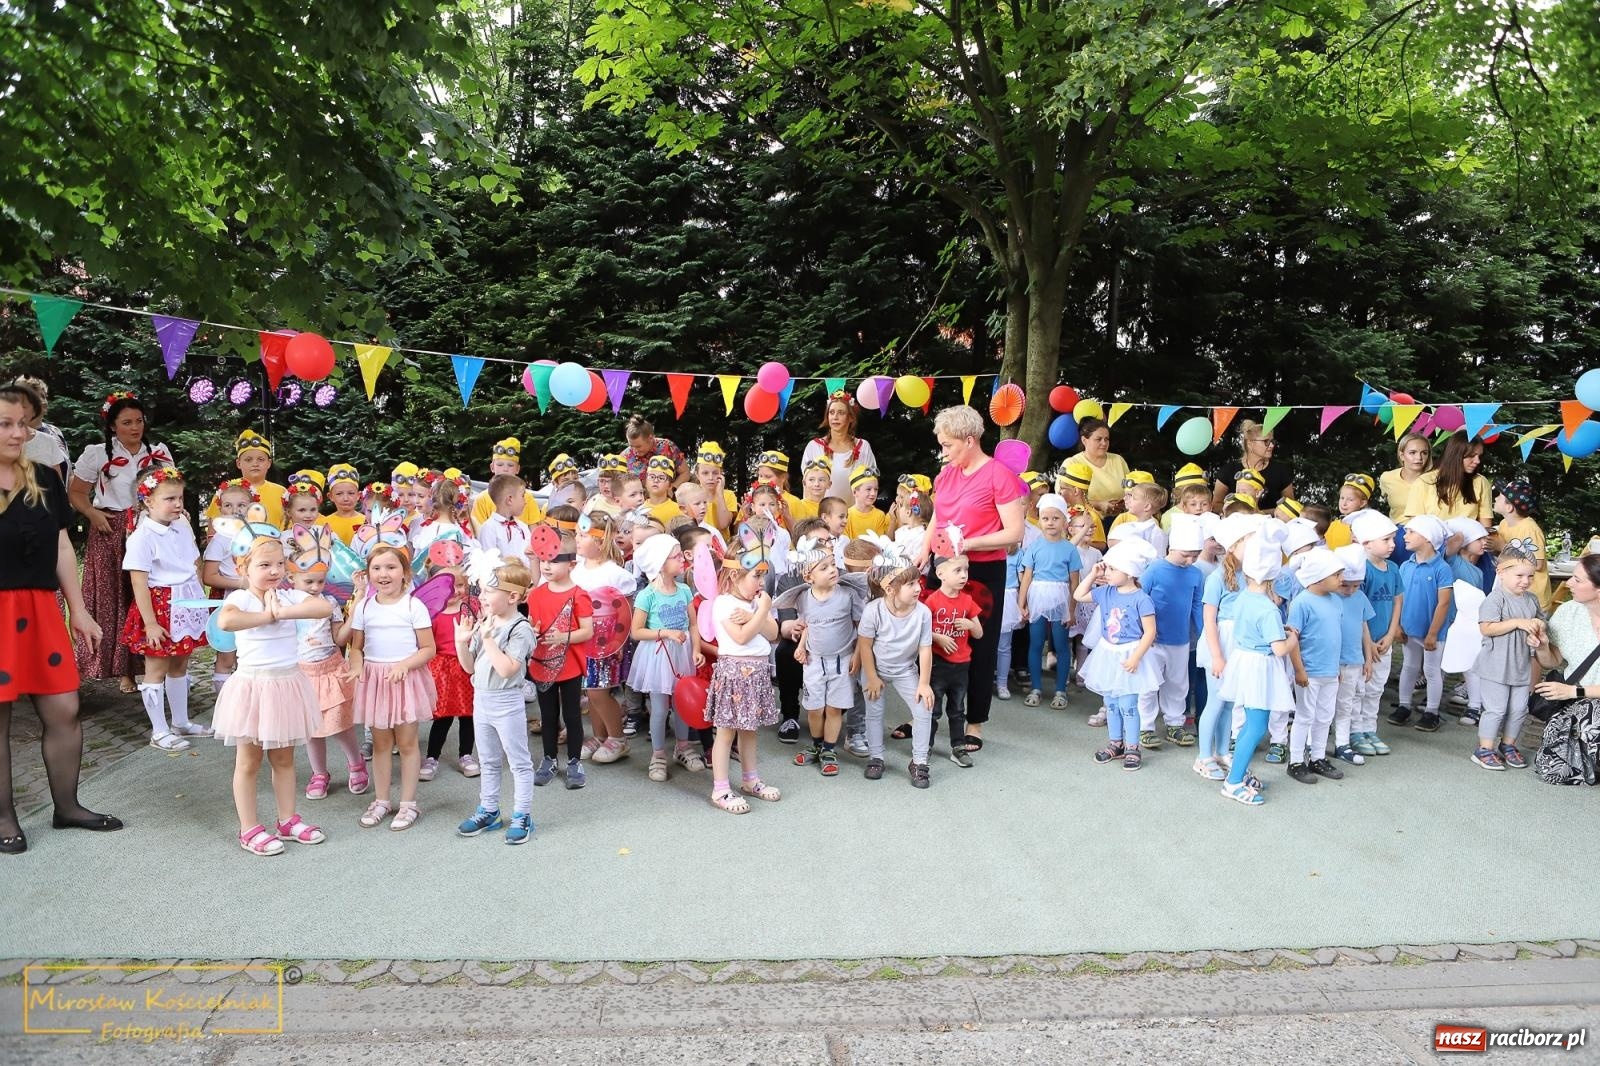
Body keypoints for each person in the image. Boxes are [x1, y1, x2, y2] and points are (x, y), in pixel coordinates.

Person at [0, 382, 120, 855]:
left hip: (39, 608)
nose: (17, 432)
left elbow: (61, 546)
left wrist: (79, 610)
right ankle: (4, 817)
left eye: (23, 423)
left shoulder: (46, 479)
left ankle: (67, 807)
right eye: (5, 424)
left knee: (64, 710)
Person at [214, 530, 331, 855]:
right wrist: (267, 615)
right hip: (254, 689)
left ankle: (287, 819)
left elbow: (321, 607)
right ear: (243, 567)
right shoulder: (241, 599)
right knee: (249, 761)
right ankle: (249, 828)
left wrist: (284, 611)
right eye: (265, 564)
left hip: (285, 686)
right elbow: (227, 621)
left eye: (280, 563)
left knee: (284, 758)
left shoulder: (290, 596)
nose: (275, 571)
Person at [919, 405, 1026, 750]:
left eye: (948, 444)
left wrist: (969, 543)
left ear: (969, 440)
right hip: (943, 564)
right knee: (932, 637)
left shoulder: (999, 476)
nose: (943, 451)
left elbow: (1015, 532)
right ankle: (923, 713)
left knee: (978, 644)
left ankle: (975, 722)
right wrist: (924, 550)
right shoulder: (946, 474)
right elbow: (938, 516)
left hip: (981, 571)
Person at [68, 390, 173, 688]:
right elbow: (76, 493)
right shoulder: (98, 453)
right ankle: (119, 669)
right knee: (113, 597)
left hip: (148, 529)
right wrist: (92, 514)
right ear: (113, 425)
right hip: (110, 528)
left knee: (144, 596)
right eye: (126, 422)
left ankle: (150, 664)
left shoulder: (158, 452)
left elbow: (170, 489)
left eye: (138, 421)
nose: (135, 427)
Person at [348, 544, 437, 831]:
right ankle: (382, 800)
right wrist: (357, 665)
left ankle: (408, 803)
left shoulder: (414, 606)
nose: (383, 574)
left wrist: (404, 666)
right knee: (382, 743)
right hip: (375, 680)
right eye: (376, 568)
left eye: (390, 567)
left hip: (405, 679)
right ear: (368, 573)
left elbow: (428, 649)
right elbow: (356, 647)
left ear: (405, 573)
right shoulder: (363, 606)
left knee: (408, 743)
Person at [122, 466, 211, 750]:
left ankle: (180, 722)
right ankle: (159, 731)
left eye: (180, 498)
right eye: (169, 499)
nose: (177, 504)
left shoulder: (182, 526)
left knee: (180, 663)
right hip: (160, 606)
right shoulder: (142, 537)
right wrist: (149, 623)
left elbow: (192, 564)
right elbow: (139, 582)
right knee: (157, 667)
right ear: (148, 501)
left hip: (185, 602)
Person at [455, 559, 539, 844]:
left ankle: (522, 815)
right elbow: (469, 667)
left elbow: (507, 669)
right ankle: (489, 811)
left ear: (513, 596)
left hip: (507, 702)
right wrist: (461, 642)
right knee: (488, 760)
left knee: (519, 762)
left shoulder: (521, 628)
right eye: (480, 591)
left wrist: (488, 639)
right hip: (482, 701)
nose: (481, 597)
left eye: (488, 591)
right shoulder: (486, 623)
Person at [1217, 532, 1298, 805]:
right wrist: (1293, 637)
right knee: (1257, 725)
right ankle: (1234, 781)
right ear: (1274, 576)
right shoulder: (1268, 609)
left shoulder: (1241, 597)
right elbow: (1278, 649)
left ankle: (1239, 770)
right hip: (1260, 668)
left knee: (1250, 724)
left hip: (1244, 661)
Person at [285, 525, 365, 800]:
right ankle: (319, 773)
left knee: (339, 724)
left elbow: (340, 638)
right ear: (291, 577)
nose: (316, 587)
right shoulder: (284, 603)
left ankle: (356, 763)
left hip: (329, 669)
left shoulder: (329, 602)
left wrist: (354, 611)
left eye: (320, 581)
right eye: (309, 582)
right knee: (311, 730)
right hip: (301, 673)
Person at [705, 543, 782, 813]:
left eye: (764, 575)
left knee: (750, 731)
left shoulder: (751, 605)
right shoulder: (724, 603)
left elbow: (773, 633)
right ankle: (721, 789)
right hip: (735, 673)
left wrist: (755, 614)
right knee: (726, 733)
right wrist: (761, 612)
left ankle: (750, 780)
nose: (762, 582)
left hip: (757, 673)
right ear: (735, 576)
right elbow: (741, 636)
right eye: (756, 576)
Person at [1076, 539, 1161, 771]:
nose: (1107, 571)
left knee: (1128, 704)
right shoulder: (1105, 592)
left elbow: (1150, 631)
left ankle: (1133, 746)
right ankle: (1116, 743)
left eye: (1113, 568)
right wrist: (1093, 575)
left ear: (1130, 572)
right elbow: (1079, 595)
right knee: (1110, 702)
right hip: (1108, 654)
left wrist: (1136, 658)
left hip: (1129, 655)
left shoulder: (1141, 599)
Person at [627, 533, 704, 782]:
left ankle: (683, 747)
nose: (683, 559)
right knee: (659, 708)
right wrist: (665, 633)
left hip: (682, 653)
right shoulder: (647, 595)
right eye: (677, 555)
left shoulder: (684, 591)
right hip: (659, 656)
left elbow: (694, 625)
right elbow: (636, 631)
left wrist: (696, 649)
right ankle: (658, 754)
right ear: (661, 563)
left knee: (682, 703)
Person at [857, 547, 935, 787]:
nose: (918, 588)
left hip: (905, 671)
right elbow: (865, 645)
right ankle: (876, 757)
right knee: (874, 712)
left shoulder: (923, 613)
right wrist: (870, 676)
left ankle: (919, 761)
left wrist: (923, 684)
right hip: (875, 670)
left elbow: (925, 649)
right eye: (911, 584)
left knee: (924, 710)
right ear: (890, 589)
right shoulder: (873, 610)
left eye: (918, 582)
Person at [788, 536, 864, 777]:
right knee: (814, 707)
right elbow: (809, 624)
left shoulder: (847, 595)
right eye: (824, 567)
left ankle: (829, 749)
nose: (832, 570)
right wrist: (801, 645)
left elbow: (861, 627)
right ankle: (817, 744)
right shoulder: (803, 598)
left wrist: (858, 656)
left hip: (842, 661)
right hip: (813, 662)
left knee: (833, 708)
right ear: (808, 577)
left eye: (833, 564)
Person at [526, 531, 595, 789]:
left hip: (570, 667)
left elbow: (587, 631)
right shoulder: (535, 595)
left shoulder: (579, 595)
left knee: (572, 715)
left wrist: (563, 636)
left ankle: (575, 761)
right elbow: (533, 626)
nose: (546, 565)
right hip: (542, 665)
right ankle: (549, 758)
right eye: (543, 559)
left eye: (553, 560)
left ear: (572, 564)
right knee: (548, 715)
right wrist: (530, 633)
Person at [1472, 549, 1547, 771]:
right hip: (1496, 666)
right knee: (1495, 709)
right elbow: (1486, 628)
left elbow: (1542, 622)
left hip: (1521, 666)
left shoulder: (1532, 600)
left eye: (1530, 576)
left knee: (1519, 709)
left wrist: (1538, 629)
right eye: (1520, 576)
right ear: (1501, 572)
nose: (1526, 581)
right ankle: (1484, 748)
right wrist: (1517, 623)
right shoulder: (1495, 599)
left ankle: (1508, 744)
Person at [1137, 514, 1205, 749]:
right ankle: (1145, 726)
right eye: (1185, 555)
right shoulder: (1155, 569)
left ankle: (1175, 723)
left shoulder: (1196, 574)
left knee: (1178, 683)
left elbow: (1197, 605)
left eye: (1195, 556)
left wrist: (1204, 633)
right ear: (1172, 547)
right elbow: (1140, 598)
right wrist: (1142, 629)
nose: (1189, 561)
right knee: (1148, 683)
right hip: (1152, 639)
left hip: (1181, 639)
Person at [1532, 554, 1600, 785]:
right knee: (1551, 768)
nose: (1569, 583)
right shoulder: (1570, 612)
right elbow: (1552, 661)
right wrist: (1541, 645)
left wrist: (1574, 692)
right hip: (1575, 702)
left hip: (1585, 701)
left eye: (1577, 580)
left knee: (1591, 714)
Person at [574, 510, 636, 763]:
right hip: (581, 640)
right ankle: (600, 737)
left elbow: (627, 611)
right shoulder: (576, 569)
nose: (576, 539)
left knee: (600, 692)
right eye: (577, 534)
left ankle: (618, 739)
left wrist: (620, 642)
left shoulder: (616, 574)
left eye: (582, 535)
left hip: (605, 641)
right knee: (590, 692)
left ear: (600, 541)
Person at [1283, 548, 1349, 784]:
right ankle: (1296, 761)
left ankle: (1318, 757)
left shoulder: (1335, 601)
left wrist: (1338, 666)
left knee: (1324, 716)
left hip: (1330, 670)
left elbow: (1335, 636)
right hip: (1309, 672)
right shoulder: (1301, 603)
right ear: (1319, 577)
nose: (1342, 580)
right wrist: (1299, 670)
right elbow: (1293, 639)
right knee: (1304, 716)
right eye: (1337, 575)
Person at [1388, 515, 1453, 732]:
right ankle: (1404, 705)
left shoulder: (1441, 568)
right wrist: (1397, 626)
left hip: (1432, 632)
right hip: (1409, 630)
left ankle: (1432, 711)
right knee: (1409, 666)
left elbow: (1443, 603)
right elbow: (1398, 598)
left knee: (1432, 670)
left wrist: (1433, 633)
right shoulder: (1405, 565)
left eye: (1410, 532)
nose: (1404, 536)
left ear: (1427, 538)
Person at [1017, 493, 1081, 709]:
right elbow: (1027, 576)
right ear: (1040, 520)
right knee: (1035, 643)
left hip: (1061, 599)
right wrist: (1021, 603)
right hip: (1037, 597)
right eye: (1045, 518)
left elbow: (1074, 583)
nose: (1050, 523)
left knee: (1061, 645)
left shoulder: (1070, 549)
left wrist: (1072, 611)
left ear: (1064, 521)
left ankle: (1060, 690)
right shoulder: (1034, 547)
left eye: (1055, 518)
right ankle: (1036, 687)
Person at [926, 553, 982, 768]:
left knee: (957, 710)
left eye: (966, 570)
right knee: (933, 709)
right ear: (940, 574)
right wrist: (937, 637)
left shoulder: (967, 600)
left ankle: (957, 747)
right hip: (938, 664)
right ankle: (926, 746)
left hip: (961, 665)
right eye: (957, 570)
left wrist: (970, 625)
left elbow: (979, 634)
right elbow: (919, 630)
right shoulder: (932, 600)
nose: (963, 575)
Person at [1353, 511, 1402, 757]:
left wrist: (1392, 633)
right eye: (1387, 540)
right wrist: (1368, 643)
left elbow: (1397, 601)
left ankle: (1369, 729)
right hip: (1363, 643)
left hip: (1384, 641)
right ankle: (1354, 731)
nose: (1393, 544)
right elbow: (1358, 609)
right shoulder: (1361, 569)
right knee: (1359, 688)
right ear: (1366, 543)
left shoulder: (1393, 568)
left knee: (1376, 688)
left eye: (1393, 539)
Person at [421, 565, 476, 782]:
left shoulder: (471, 607)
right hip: (442, 670)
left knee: (468, 715)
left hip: (467, 665)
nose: (454, 590)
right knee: (442, 717)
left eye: (460, 585)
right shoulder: (432, 613)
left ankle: (466, 754)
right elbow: (428, 644)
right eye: (447, 585)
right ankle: (432, 757)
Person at [1331, 545, 1377, 765]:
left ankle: (1342, 743)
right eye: (1345, 585)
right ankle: (1314, 745)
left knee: (1346, 704)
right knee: (1324, 706)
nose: (1350, 590)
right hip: (1332, 662)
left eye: (1356, 586)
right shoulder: (1330, 598)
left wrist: (1368, 659)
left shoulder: (1359, 598)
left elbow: (1364, 628)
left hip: (1354, 661)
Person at [802, 389, 879, 502]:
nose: (835, 417)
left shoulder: (863, 447)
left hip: (853, 516)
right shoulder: (814, 447)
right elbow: (807, 487)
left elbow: (870, 484)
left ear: (851, 418)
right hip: (822, 514)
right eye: (832, 412)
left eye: (841, 413)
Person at [1403, 431, 1493, 525]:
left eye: (1479, 456)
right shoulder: (1423, 482)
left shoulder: (1481, 482)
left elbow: (1486, 529)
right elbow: (1416, 529)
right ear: (1455, 454)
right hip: (1433, 539)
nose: (1477, 461)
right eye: (1471, 456)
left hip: (1472, 539)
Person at [1210, 420, 1296, 513]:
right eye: (1266, 441)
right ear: (1250, 444)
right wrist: (1237, 513)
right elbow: (1216, 505)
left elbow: (1290, 508)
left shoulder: (1281, 470)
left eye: (1272, 441)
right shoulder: (1229, 470)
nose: (1271, 445)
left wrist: (1258, 513)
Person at [204, 430, 285, 528]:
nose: (255, 464)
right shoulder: (226, 492)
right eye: (248, 460)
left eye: (261, 459)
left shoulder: (281, 492)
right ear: (238, 463)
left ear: (269, 463)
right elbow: (213, 531)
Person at [1493, 477, 1550, 609]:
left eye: (1500, 496)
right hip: (1515, 596)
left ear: (1509, 507)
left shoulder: (1529, 529)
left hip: (1532, 600)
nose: (1495, 498)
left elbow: (1538, 564)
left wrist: (1503, 546)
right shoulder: (1504, 524)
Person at [469, 438, 543, 532]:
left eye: (510, 465)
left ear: (517, 469)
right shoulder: (482, 499)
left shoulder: (527, 498)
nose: (505, 469)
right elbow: (477, 530)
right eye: (500, 465)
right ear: (492, 467)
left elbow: (534, 530)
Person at [8, 377, 68, 484]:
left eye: (44, 396)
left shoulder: (55, 432)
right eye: (38, 396)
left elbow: (68, 472)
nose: (43, 401)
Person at [1070, 418, 1131, 518]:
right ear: (1084, 440)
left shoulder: (1118, 460)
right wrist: (1099, 505)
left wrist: (1123, 503)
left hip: (1120, 520)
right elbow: (1066, 498)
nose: (1104, 443)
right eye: (1099, 439)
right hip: (1084, 522)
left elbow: (1132, 490)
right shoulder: (1072, 463)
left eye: (1106, 439)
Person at [1379, 432, 1435, 523]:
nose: (1419, 457)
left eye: (1424, 453)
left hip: (1428, 531)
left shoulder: (1436, 479)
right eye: (1412, 453)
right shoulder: (1387, 478)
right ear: (1402, 456)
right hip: (1396, 531)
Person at [623, 414, 687, 484]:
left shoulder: (668, 447)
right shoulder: (625, 456)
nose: (634, 450)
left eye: (638, 446)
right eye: (631, 446)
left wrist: (672, 489)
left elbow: (685, 473)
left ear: (650, 438)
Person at [317, 464, 365, 545]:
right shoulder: (324, 523)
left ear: (358, 495)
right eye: (339, 494)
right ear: (330, 496)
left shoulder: (366, 522)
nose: (345, 498)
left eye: (351, 493)